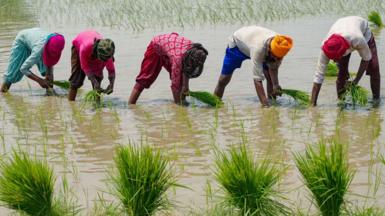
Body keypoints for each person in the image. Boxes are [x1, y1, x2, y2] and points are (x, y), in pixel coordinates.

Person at [213, 26, 293, 107]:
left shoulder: (281, 45)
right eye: (275, 57)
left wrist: (276, 85)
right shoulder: (258, 49)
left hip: (256, 44)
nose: (276, 59)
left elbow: (273, 68)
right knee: (223, 79)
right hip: (237, 46)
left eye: (279, 58)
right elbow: (257, 80)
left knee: (269, 77)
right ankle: (215, 103)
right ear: (269, 49)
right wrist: (265, 106)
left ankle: (272, 103)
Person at [311, 16, 380, 106]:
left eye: (336, 58)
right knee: (342, 72)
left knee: (374, 67)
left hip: (362, 31)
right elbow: (318, 76)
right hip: (342, 27)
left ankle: (376, 101)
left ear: (344, 51)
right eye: (332, 58)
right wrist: (312, 104)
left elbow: (366, 58)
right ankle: (341, 102)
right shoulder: (326, 47)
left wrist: (356, 81)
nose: (334, 61)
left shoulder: (357, 39)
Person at [128, 32, 208, 105]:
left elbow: (187, 67)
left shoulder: (195, 49)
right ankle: (130, 105)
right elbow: (175, 86)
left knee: (180, 81)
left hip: (170, 46)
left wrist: (185, 86)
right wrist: (180, 108)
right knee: (145, 79)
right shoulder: (178, 60)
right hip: (156, 46)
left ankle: (182, 101)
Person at [1, 28, 65, 94]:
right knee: (12, 73)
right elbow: (23, 69)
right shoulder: (39, 50)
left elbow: (50, 64)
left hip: (35, 38)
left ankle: (49, 93)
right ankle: (2, 93)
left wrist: (49, 76)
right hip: (22, 41)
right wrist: (39, 80)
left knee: (47, 70)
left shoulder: (57, 42)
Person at [68, 30, 116, 101]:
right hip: (79, 46)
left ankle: (97, 106)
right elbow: (84, 67)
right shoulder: (85, 48)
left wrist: (111, 85)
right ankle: (71, 103)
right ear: (97, 53)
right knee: (76, 79)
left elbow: (111, 71)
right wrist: (94, 81)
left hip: (95, 49)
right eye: (103, 59)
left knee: (98, 79)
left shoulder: (107, 52)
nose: (105, 61)